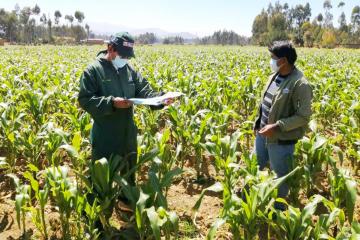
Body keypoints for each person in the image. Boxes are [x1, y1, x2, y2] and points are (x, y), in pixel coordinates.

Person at [78, 32, 173, 185]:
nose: (126, 59)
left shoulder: (129, 71)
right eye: (123, 55)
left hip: (128, 132)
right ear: (110, 48)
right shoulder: (93, 71)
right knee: (102, 178)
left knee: (129, 175)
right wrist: (111, 103)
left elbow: (144, 91)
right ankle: (103, 205)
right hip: (105, 135)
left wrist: (161, 99)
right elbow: (85, 100)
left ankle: (125, 201)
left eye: (128, 56)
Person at [253, 41, 313, 209]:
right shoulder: (275, 75)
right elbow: (266, 101)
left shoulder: (300, 84)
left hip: (280, 139)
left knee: (281, 176)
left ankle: (278, 209)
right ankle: (252, 201)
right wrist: (258, 122)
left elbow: (303, 117)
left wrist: (277, 126)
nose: (271, 61)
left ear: (284, 60)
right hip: (262, 133)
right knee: (255, 166)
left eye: (273, 58)